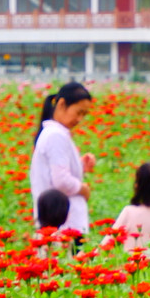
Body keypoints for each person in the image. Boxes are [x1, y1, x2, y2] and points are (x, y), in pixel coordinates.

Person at [28, 82, 94, 235]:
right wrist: (83, 189)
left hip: (59, 224)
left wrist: (80, 164)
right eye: (78, 112)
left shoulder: (54, 133)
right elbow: (61, 181)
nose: (80, 119)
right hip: (64, 226)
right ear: (62, 104)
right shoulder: (56, 135)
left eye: (84, 114)